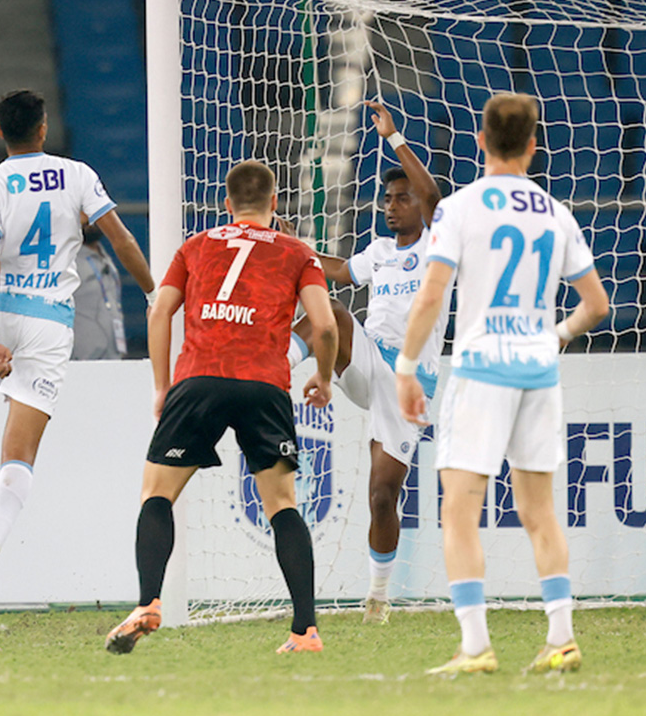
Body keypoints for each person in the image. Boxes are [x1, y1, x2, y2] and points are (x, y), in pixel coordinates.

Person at [0, 90, 154, 626]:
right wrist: (154, 295)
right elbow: (119, 238)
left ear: (1, 132)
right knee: (17, 455)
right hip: (50, 321)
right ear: (43, 129)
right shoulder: (77, 175)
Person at [393, 93, 610, 676]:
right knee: (540, 510)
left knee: (460, 509)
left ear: (481, 141)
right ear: (534, 146)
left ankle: (474, 645)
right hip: (537, 370)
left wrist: (407, 368)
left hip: (482, 366)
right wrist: (555, 336)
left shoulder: (461, 209)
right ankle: (561, 637)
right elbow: (596, 303)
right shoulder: (554, 212)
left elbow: (433, 293)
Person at [105, 159, 338, 655]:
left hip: (200, 378)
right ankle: (305, 631)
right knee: (281, 504)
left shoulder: (194, 247)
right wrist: (321, 375)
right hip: (264, 384)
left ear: (227, 206)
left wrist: (161, 385)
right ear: (275, 205)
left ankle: (148, 602)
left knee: (157, 494)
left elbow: (161, 311)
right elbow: (326, 326)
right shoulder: (298, 252)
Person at [288, 100, 446, 624]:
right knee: (324, 309)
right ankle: (271, 366)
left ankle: (377, 596)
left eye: (402, 199)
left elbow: (433, 195)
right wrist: (293, 248)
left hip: (410, 383)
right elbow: (334, 272)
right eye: (388, 200)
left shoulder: (440, 245)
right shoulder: (378, 251)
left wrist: (394, 137)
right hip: (368, 358)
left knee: (383, 496)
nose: (393, 207)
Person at [71, 223, 129, 360]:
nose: (90, 220)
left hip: (112, 355)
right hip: (81, 359)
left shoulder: (104, 255)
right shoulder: (67, 260)